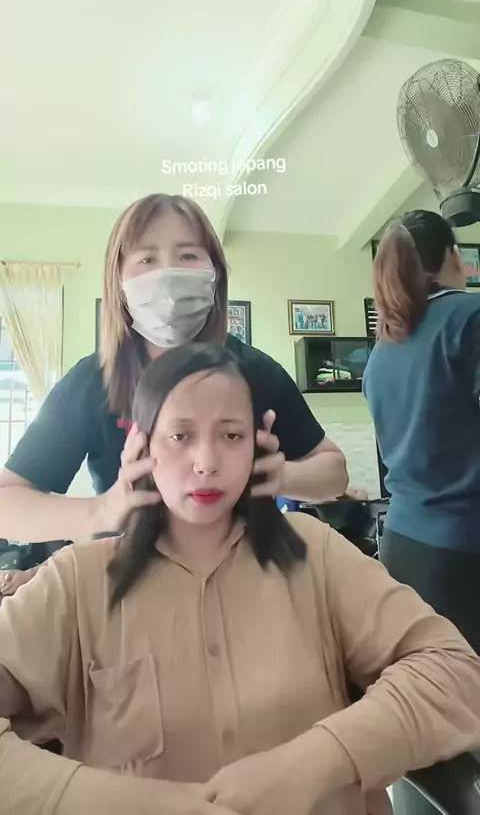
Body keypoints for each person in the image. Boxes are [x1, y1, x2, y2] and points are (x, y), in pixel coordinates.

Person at [1, 343, 480, 815]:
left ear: (259, 443)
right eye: (180, 436)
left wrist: (321, 760)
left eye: (231, 435)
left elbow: (455, 671)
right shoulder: (76, 583)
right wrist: (138, 803)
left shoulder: (316, 553)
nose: (206, 462)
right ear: (141, 447)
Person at [0, 193, 347, 546]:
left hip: (245, 566)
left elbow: (335, 473)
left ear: (215, 273)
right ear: (118, 280)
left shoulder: (256, 370)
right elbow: (6, 504)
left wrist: (283, 476)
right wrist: (102, 511)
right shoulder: (93, 380)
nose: (166, 275)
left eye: (188, 255)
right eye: (147, 258)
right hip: (133, 570)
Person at [363, 209, 480, 815]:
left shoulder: (383, 353)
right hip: (465, 552)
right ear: (453, 257)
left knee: (425, 700)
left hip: (403, 550)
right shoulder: (469, 318)